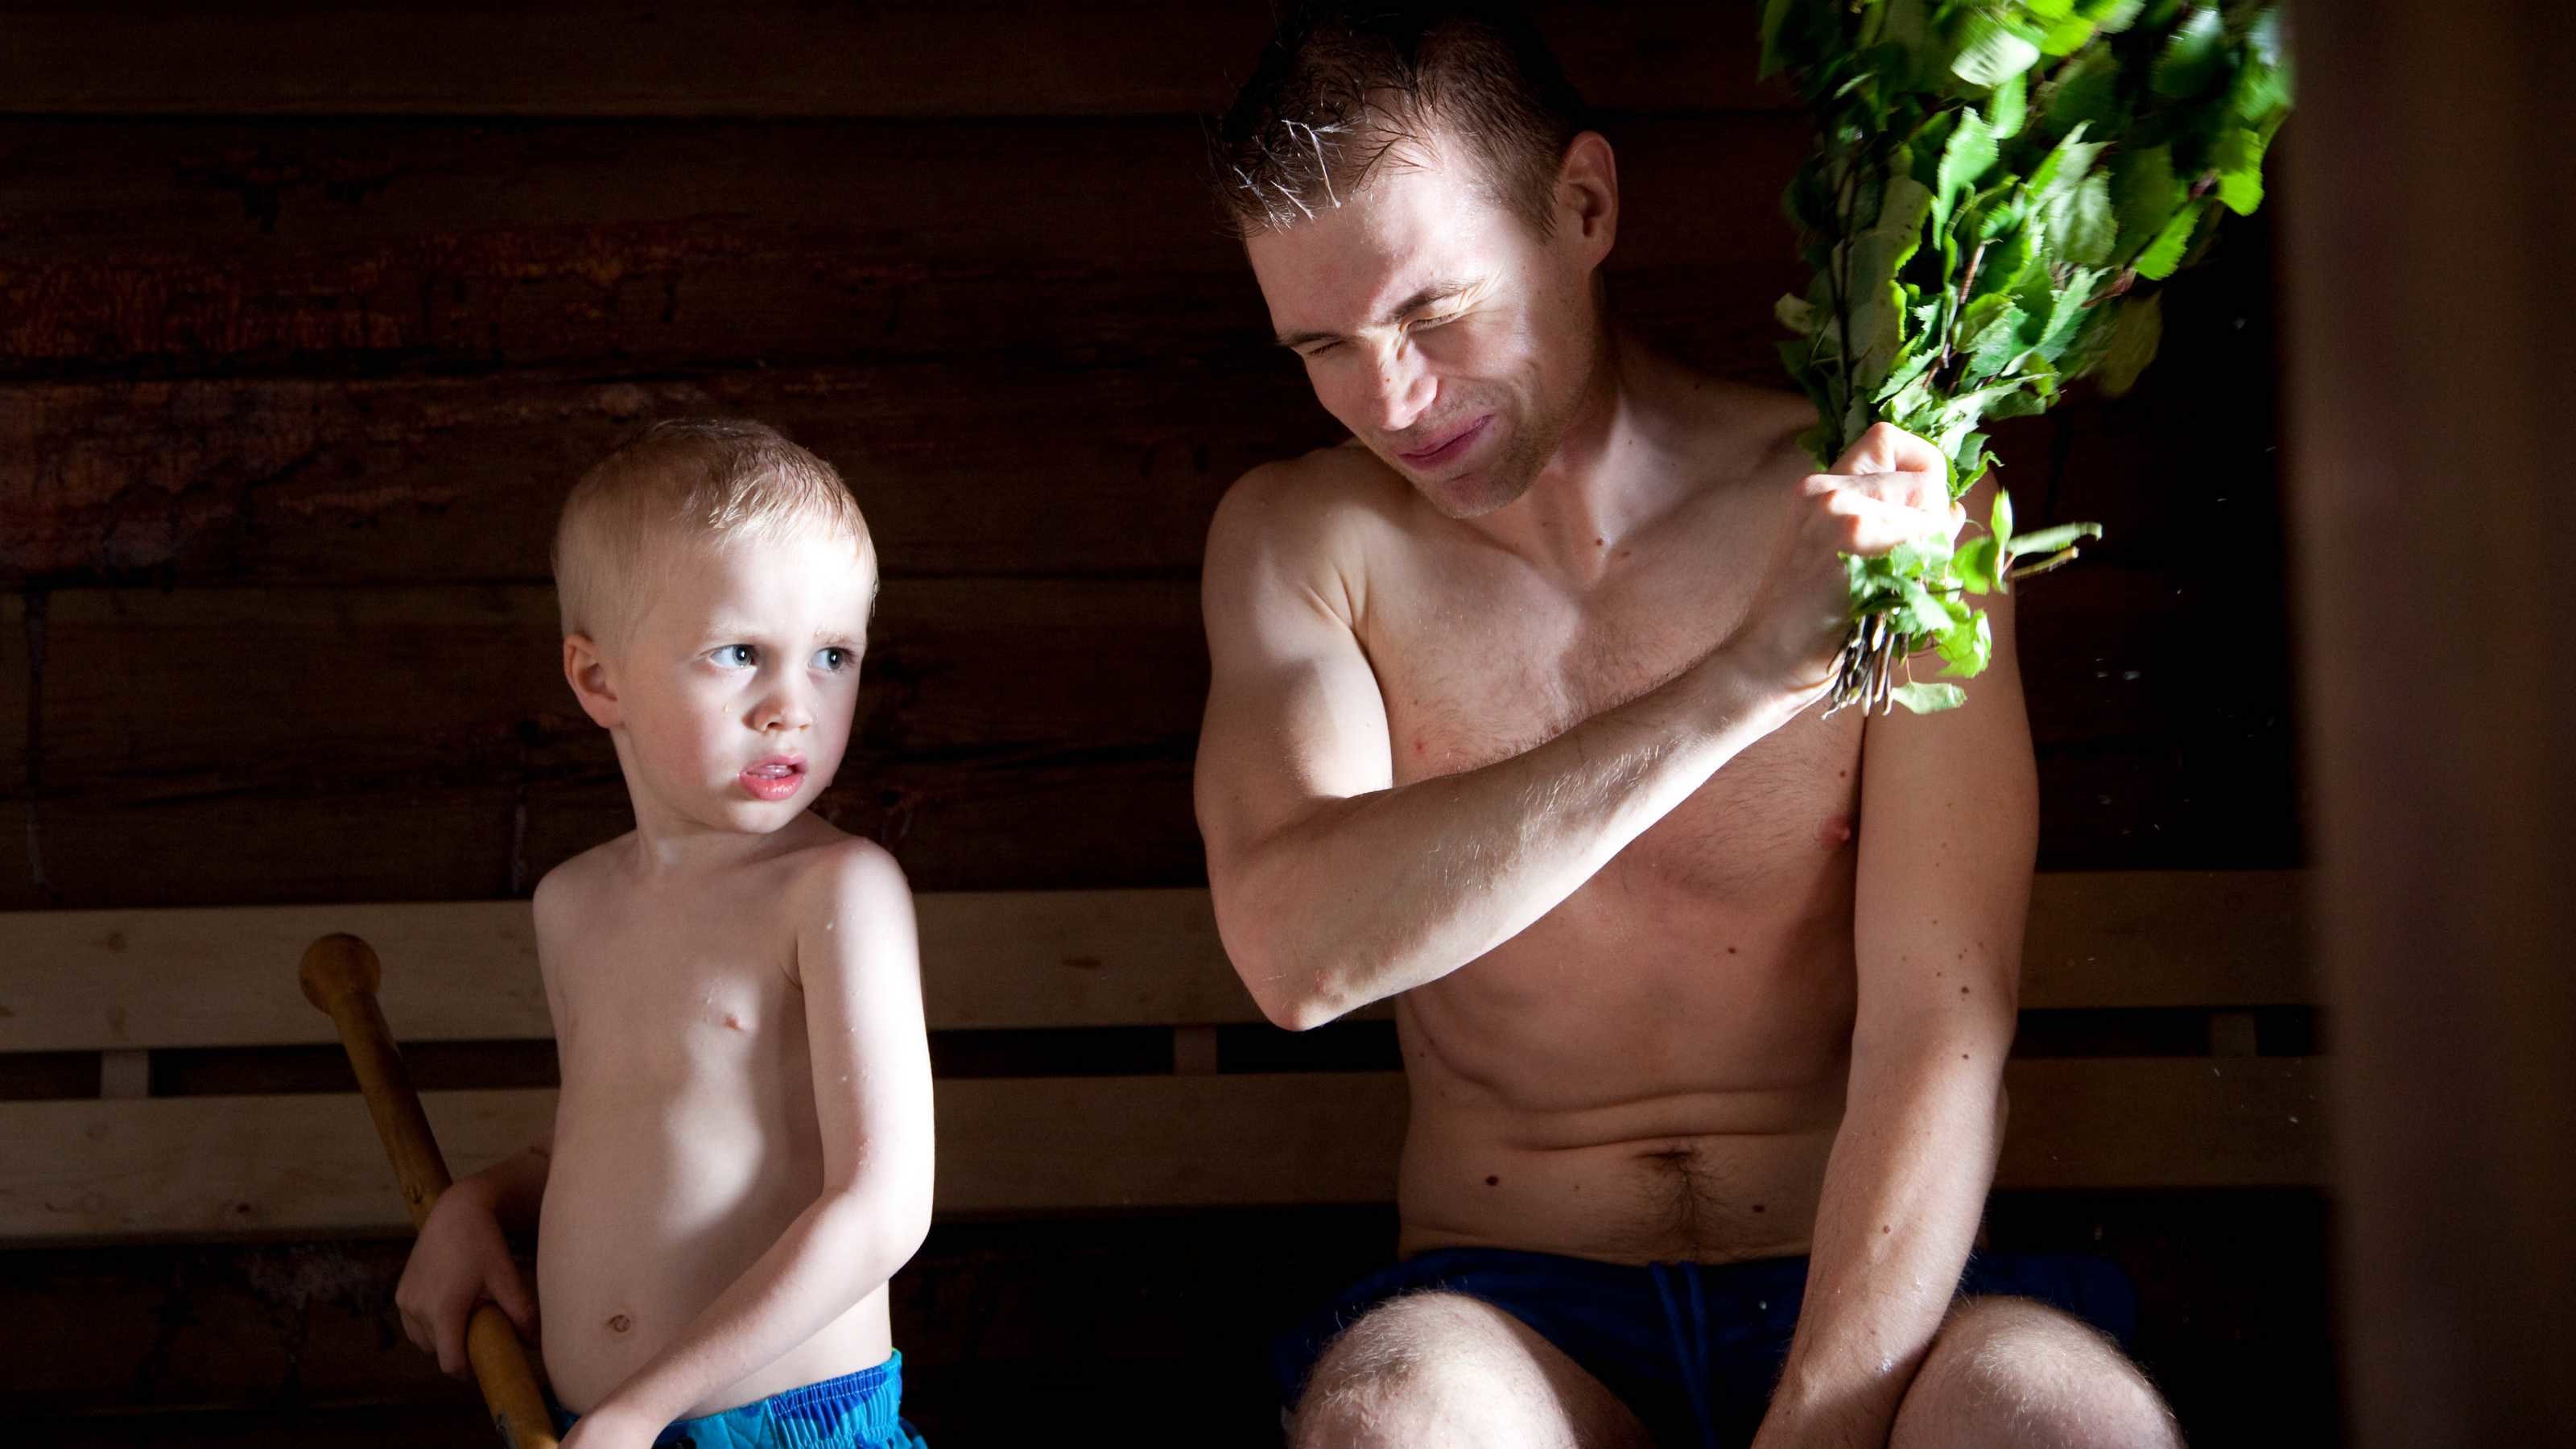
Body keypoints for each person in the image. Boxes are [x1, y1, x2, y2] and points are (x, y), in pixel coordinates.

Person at [1194, 6, 2180, 1447]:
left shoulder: (1885, 518)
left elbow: (1943, 1023)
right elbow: (1298, 952)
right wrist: (1745, 687)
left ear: (1582, 206)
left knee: (2069, 1425)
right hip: (1515, 1301)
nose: (1388, 398)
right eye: (1323, 345)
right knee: (1393, 1427)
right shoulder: (1308, 540)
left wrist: (1823, 1425)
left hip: (1876, 1284)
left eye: (1431, 311)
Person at [392, 419, 935, 1449]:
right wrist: (477, 1202)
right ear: (599, 683)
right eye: (740, 654)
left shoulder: (835, 890)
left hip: (775, 1429)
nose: (791, 709)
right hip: (586, 1427)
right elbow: (630, 1137)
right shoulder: (574, 905)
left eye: (832, 656)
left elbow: (880, 1209)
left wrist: (646, 1405)